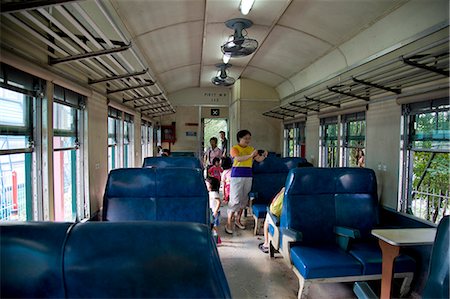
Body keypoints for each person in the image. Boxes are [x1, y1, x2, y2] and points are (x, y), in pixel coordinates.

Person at [225, 129, 267, 234]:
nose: (248, 140)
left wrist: (264, 155)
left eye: (249, 138)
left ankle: (238, 220)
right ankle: (229, 222)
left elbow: (258, 159)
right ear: (240, 138)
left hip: (248, 176)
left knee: (244, 200)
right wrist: (251, 155)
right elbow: (238, 159)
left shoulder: (251, 149)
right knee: (235, 200)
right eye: (245, 138)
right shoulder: (234, 148)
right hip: (237, 176)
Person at [258, 187, 285, 253]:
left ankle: (266, 244)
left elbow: (274, 207)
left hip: (278, 213)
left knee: (269, 215)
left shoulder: (286, 190)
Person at [206, 176, 221, 244]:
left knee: (214, 225)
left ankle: (217, 239)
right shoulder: (210, 193)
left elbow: (218, 202)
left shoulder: (214, 193)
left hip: (214, 212)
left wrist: (215, 211)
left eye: (207, 184)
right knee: (213, 225)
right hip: (212, 210)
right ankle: (216, 238)